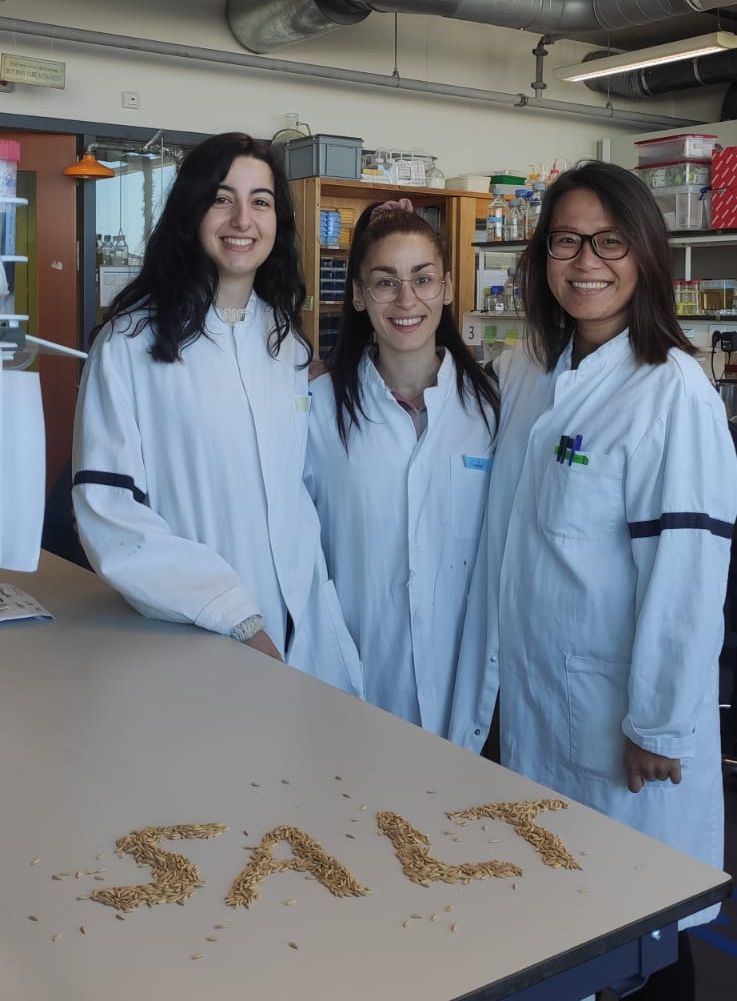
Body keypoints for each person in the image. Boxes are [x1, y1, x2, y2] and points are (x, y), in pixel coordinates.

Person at [448, 160, 737, 1000]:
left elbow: (685, 572)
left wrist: (657, 721)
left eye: (609, 241)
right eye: (567, 240)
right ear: (541, 256)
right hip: (537, 699)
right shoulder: (530, 367)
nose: (586, 262)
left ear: (644, 252)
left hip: (623, 722)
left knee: (639, 921)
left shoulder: (669, 390)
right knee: (561, 909)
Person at [72, 132, 363, 696]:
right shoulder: (129, 344)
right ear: (192, 211)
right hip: (199, 630)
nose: (242, 219)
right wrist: (233, 613)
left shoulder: (286, 345)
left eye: (260, 201)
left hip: (304, 630)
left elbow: (294, 487)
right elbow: (107, 511)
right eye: (221, 198)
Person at [305, 201, 499, 736]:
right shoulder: (317, 412)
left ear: (449, 287)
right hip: (350, 684)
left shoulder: (493, 410)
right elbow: (296, 559)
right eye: (385, 282)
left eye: (423, 278)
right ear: (361, 296)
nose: (407, 299)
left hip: (470, 698)